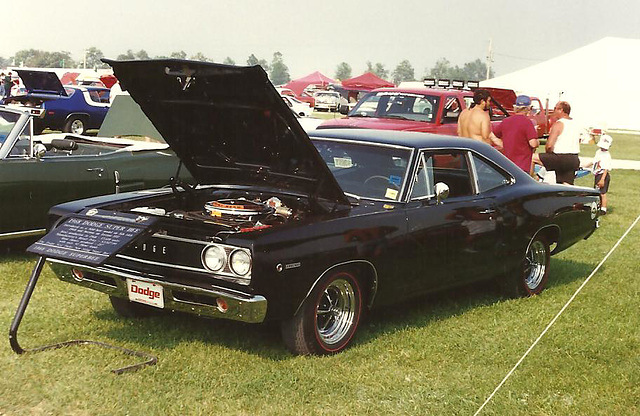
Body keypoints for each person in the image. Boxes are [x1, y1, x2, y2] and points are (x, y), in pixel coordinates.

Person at [532, 101, 580, 185]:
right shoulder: (575, 124)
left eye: (555, 108)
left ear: (561, 110)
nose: (553, 111)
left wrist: (548, 153)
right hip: (574, 159)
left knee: (532, 157)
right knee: (566, 186)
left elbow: (549, 145)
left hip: (560, 157)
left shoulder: (559, 124)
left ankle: (528, 183)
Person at [493, 95, 539, 174]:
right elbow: (533, 144)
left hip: (507, 165)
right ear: (528, 108)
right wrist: (538, 142)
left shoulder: (505, 121)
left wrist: (502, 145)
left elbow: (492, 135)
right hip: (522, 166)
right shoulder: (527, 122)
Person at [584, 134, 613, 215]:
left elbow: (606, 168)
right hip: (597, 175)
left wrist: (602, 179)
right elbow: (594, 161)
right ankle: (598, 206)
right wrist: (584, 166)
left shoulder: (607, 155)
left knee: (602, 193)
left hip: (603, 175)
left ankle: (603, 209)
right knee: (597, 192)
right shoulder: (598, 152)